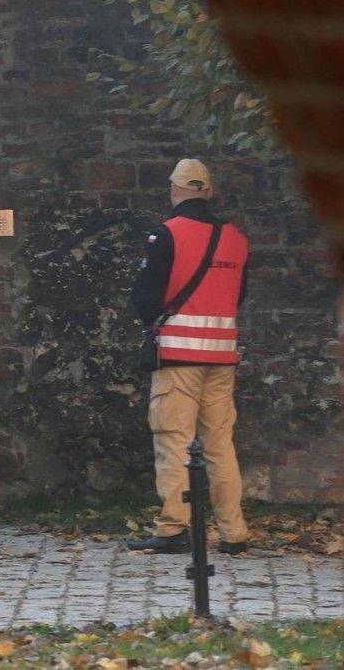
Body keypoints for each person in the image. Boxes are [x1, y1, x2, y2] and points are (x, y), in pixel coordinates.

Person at [125, 158, 254, 555]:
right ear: (209, 192)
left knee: (175, 442)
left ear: (174, 190)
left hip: (178, 357)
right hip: (222, 356)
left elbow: (145, 297)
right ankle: (234, 534)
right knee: (219, 444)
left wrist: (154, 322)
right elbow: (240, 296)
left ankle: (173, 529)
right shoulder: (236, 238)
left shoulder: (167, 234)